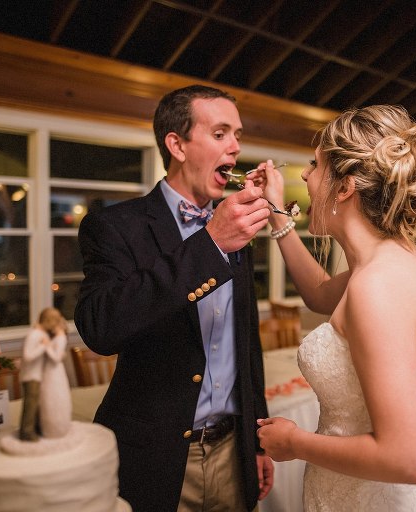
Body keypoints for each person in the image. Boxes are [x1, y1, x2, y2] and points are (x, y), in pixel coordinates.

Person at [74, 85, 274, 512]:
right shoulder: (114, 227)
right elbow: (100, 327)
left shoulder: (235, 224)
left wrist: (256, 441)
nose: (236, 147)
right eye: (220, 134)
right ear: (177, 144)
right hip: (154, 456)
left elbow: (247, 343)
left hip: (232, 452)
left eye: (236, 135)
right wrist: (210, 243)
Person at [256, 104, 416, 511]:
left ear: (344, 188)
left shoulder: (379, 286)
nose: (306, 176)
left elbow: (407, 458)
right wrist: (278, 216)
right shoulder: (393, 260)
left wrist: (294, 442)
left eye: (315, 165)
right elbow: (321, 294)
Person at [19, 307, 71, 441]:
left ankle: (36, 428)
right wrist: (44, 346)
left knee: (37, 404)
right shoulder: (35, 335)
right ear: (48, 321)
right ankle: (27, 432)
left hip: (39, 375)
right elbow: (28, 356)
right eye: (54, 322)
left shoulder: (43, 335)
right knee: (30, 405)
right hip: (31, 375)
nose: (55, 325)